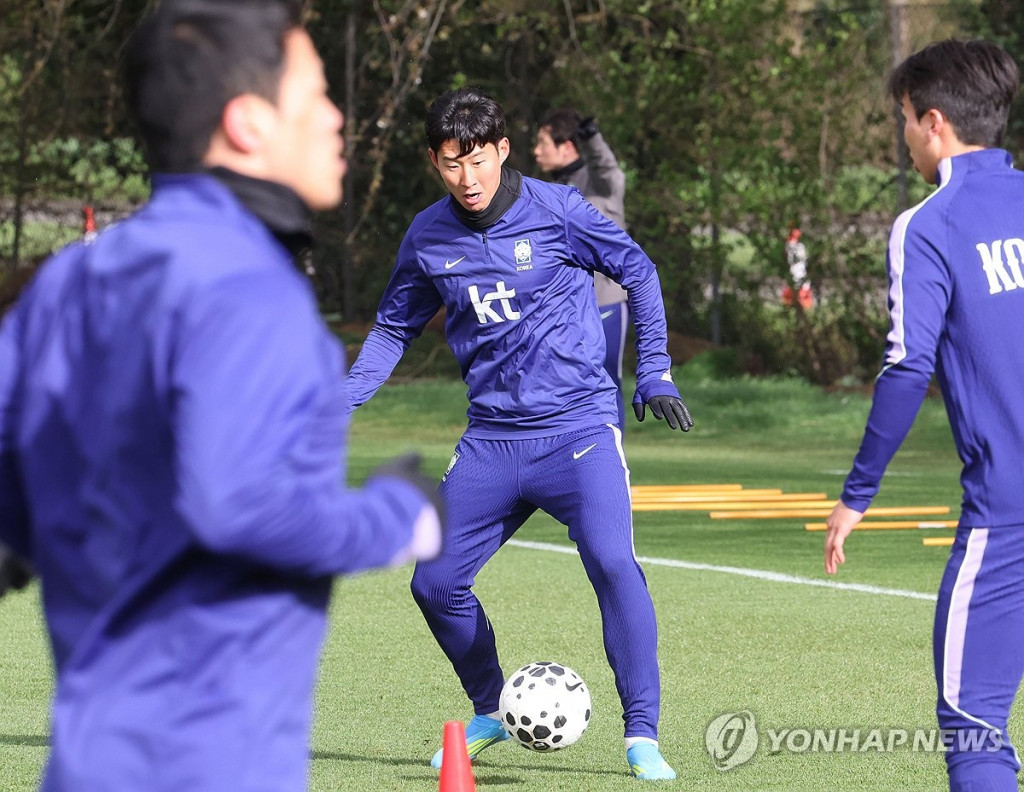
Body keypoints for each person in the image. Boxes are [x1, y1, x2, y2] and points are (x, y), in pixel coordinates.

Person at [0, 2, 444, 790]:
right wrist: (397, 517)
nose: (336, 118)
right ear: (247, 124)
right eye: (315, 95)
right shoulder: (250, 289)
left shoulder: (69, 280)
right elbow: (237, 506)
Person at [347, 86, 692, 781]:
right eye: (451, 164)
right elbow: (391, 328)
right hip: (492, 443)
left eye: (477, 160)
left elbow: (638, 269)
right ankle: (490, 709)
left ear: (503, 151)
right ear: (435, 162)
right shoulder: (427, 236)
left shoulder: (558, 210)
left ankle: (642, 734)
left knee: (611, 561)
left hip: (578, 431)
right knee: (434, 583)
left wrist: (654, 368)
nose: (466, 178)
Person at [823, 39, 1024, 792]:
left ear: (933, 123)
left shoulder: (930, 223)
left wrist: (857, 494)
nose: (903, 134)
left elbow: (908, 368)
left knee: (974, 724)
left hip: (1009, 515)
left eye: (904, 118)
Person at [534, 108, 631, 431]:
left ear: (567, 147)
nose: (536, 151)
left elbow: (607, 168)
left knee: (606, 383)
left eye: (543, 143)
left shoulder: (600, 184)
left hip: (605, 305)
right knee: (560, 386)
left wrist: (592, 136)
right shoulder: (550, 191)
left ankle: (612, 457)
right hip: (563, 308)